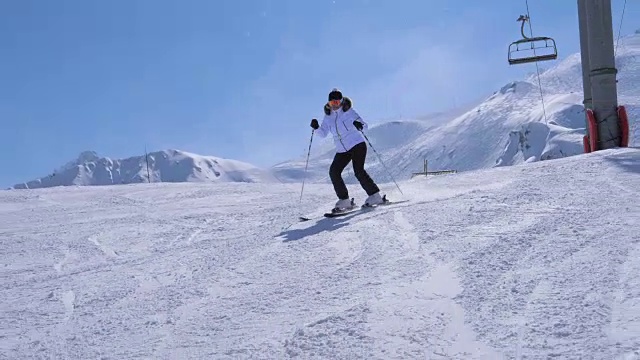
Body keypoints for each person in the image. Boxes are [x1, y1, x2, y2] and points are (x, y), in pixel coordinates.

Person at [310, 88, 384, 211]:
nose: (335, 105)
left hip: (357, 145)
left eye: (337, 102)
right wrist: (316, 127)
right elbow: (323, 134)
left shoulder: (349, 112)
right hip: (342, 150)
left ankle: (375, 196)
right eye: (332, 103)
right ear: (328, 103)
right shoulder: (328, 117)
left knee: (358, 171)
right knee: (334, 172)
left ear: (341, 101)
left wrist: (359, 125)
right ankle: (344, 200)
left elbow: (365, 126)